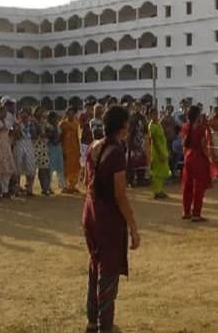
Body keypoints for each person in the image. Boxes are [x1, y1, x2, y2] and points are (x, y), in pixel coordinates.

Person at [82, 105, 140, 333]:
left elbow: (87, 180)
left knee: (95, 264)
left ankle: (93, 319)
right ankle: (104, 325)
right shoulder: (115, 152)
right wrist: (133, 226)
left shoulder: (94, 146)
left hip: (91, 211)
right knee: (108, 270)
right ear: (123, 126)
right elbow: (120, 194)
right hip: (107, 217)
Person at [181, 105, 212, 221]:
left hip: (188, 157)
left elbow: (183, 144)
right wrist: (208, 156)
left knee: (187, 185)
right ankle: (196, 213)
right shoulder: (200, 129)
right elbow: (203, 145)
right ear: (197, 115)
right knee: (198, 187)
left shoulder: (185, 127)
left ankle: (186, 211)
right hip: (198, 157)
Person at [0, 106, 17, 199]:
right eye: (3, 112)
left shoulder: (7, 122)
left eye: (5, 112)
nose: (4, 114)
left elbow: (11, 133)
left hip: (5, 148)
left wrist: (14, 130)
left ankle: (5, 191)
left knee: (7, 171)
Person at [13, 108, 38, 197]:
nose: (25, 117)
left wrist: (32, 126)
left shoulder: (32, 124)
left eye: (26, 116)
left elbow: (35, 135)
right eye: (22, 115)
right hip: (19, 144)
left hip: (29, 144)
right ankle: (16, 189)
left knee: (30, 167)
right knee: (18, 167)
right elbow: (16, 136)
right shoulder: (17, 124)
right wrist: (18, 128)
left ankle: (29, 189)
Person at [148, 108, 170, 199]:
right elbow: (154, 141)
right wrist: (160, 153)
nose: (156, 116)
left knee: (162, 171)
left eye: (156, 114)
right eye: (154, 114)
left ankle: (160, 190)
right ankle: (156, 191)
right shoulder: (152, 126)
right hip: (157, 151)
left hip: (163, 149)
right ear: (150, 116)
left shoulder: (159, 124)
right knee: (157, 172)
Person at [125, 103, 149, 188]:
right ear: (134, 107)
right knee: (131, 162)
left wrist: (145, 141)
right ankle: (130, 181)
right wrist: (128, 140)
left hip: (141, 141)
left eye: (139, 106)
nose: (138, 108)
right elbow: (128, 130)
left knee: (141, 161)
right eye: (136, 106)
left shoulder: (143, 118)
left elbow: (146, 130)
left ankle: (140, 179)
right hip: (132, 141)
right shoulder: (130, 118)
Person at [61, 106, 82, 194]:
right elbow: (61, 137)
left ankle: (73, 186)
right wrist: (62, 149)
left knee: (75, 167)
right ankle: (67, 186)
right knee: (67, 167)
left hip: (75, 148)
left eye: (72, 113)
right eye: (69, 113)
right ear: (66, 114)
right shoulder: (63, 124)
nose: (71, 115)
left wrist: (79, 149)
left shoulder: (76, 123)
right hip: (66, 147)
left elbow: (78, 136)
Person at [32, 106, 52, 196]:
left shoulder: (45, 122)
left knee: (44, 168)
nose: (42, 113)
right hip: (34, 147)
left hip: (43, 147)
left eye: (43, 111)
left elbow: (51, 131)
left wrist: (46, 133)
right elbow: (34, 134)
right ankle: (29, 188)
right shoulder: (32, 121)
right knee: (32, 169)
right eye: (40, 111)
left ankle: (45, 188)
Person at [46, 111, 65, 190]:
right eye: (54, 118)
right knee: (50, 167)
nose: (55, 119)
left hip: (58, 148)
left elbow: (61, 136)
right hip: (51, 147)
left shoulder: (58, 126)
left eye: (56, 118)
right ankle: (48, 186)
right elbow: (50, 137)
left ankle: (62, 185)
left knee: (60, 166)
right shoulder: (48, 127)